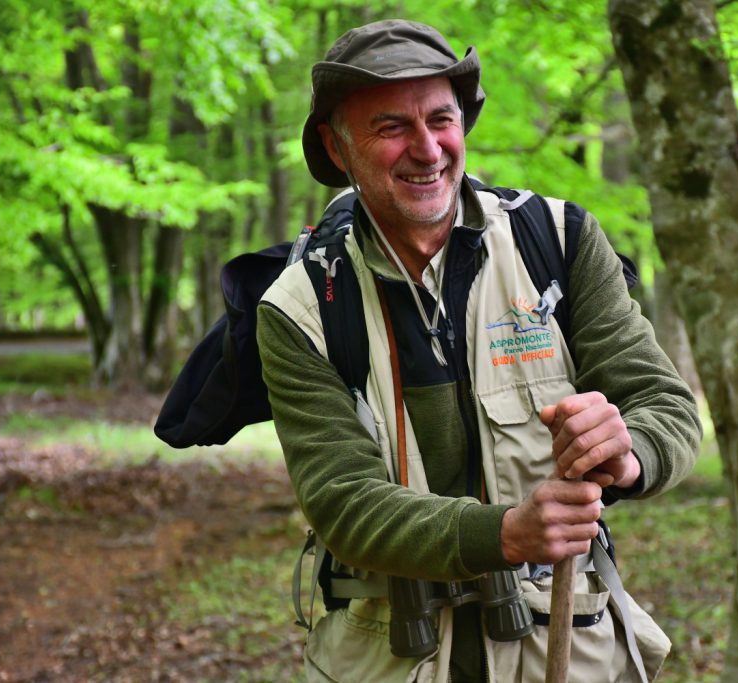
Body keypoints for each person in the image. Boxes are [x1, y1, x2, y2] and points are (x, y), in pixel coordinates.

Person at [257, 19, 702, 683]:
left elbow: (666, 406)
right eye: (390, 127)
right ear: (337, 145)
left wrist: (629, 451)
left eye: (441, 118)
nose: (427, 148)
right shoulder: (302, 305)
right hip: (390, 660)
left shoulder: (559, 241)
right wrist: (503, 535)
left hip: (564, 652)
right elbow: (344, 502)